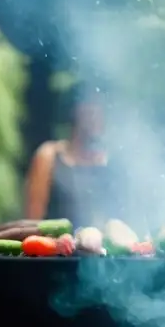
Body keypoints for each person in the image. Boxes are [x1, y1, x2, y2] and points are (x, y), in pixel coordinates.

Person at [24, 83, 115, 227]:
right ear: (75, 111)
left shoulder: (110, 162)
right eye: (91, 108)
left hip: (103, 248)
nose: (97, 115)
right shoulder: (49, 156)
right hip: (57, 247)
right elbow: (32, 224)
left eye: (101, 109)